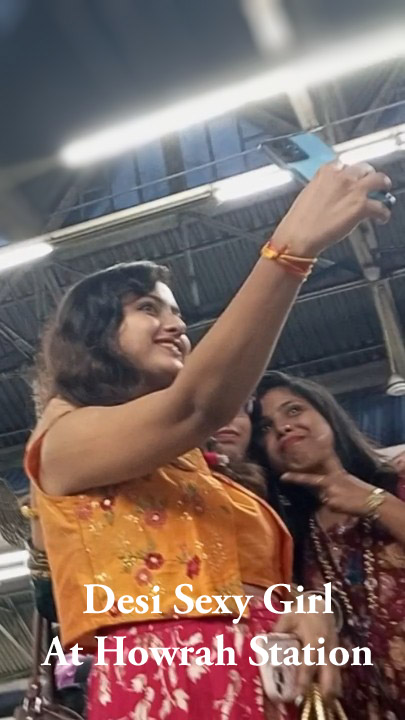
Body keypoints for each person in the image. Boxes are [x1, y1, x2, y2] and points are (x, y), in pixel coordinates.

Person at [24, 162, 392, 720]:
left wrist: (308, 608)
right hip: (172, 682)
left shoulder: (199, 470)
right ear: (93, 334)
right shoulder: (63, 439)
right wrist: (290, 251)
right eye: (147, 309)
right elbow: (197, 405)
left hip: (273, 681)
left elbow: (246, 584)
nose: (176, 326)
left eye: (177, 313)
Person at [254, 371, 405, 720]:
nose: (283, 428)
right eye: (265, 427)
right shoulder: (289, 538)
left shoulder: (396, 482)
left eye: (294, 410)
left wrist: (377, 502)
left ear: (328, 415)